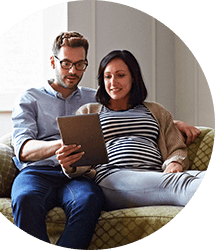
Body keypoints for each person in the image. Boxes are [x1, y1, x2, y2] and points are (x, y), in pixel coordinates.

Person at [56, 50, 205, 211]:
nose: (113, 82)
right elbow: (82, 162)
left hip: (156, 175)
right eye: (107, 76)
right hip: (113, 177)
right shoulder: (88, 111)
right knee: (179, 185)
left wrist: (175, 162)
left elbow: (176, 147)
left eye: (120, 75)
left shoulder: (156, 110)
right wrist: (70, 166)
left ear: (133, 77)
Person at [11, 32, 104, 249]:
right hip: (38, 172)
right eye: (66, 63)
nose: (73, 71)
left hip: (79, 174)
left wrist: (174, 123)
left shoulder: (96, 98)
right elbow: (23, 149)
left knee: (89, 199)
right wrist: (62, 145)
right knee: (25, 198)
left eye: (80, 64)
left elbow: (131, 114)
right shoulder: (29, 98)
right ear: (53, 61)